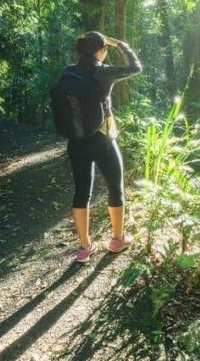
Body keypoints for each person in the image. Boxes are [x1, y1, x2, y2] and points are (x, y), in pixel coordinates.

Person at [66, 31, 142, 262]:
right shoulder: (102, 72)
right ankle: (117, 240)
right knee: (115, 188)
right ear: (101, 50)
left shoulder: (68, 71)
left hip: (76, 141)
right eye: (105, 48)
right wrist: (121, 43)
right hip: (102, 139)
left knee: (81, 193)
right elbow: (136, 67)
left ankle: (84, 247)